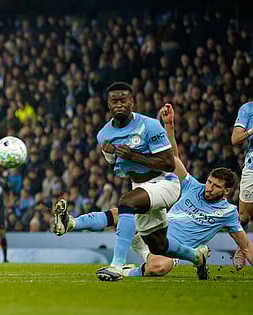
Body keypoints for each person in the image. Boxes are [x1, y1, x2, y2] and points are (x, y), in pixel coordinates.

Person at [55, 103, 253, 277]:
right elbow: (173, 159)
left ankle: (127, 271)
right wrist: (169, 126)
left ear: (226, 191)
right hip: (156, 228)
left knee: (157, 267)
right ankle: (71, 222)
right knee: (124, 212)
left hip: (169, 249)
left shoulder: (228, 213)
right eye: (209, 182)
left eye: (216, 186)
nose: (209, 188)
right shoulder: (193, 186)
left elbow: (246, 247)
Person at [53, 82, 209, 281]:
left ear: (132, 102)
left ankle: (116, 266)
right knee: (159, 246)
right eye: (114, 101)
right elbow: (119, 170)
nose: (119, 104)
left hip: (165, 183)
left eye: (123, 100)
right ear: (108, 105)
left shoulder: (150, 125)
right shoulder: (103, 135)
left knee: (126, 203)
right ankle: (197, 256)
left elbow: (169, 164)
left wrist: (134, 155)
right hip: (140, 186)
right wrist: (112, 157)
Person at [231, 100, 253, 269]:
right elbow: (235, 138)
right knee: (244, 216)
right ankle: (241, 246)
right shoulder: (247, 109)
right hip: (252, 166)